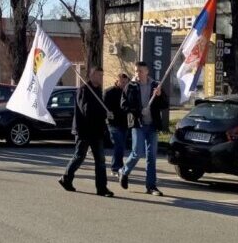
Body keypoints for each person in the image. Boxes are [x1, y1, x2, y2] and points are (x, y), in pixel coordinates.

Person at [59, 67, 114, 197]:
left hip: (97, 131)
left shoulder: (98, 91)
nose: (101, 77)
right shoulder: (83, 90)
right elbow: (86, 111)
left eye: (102, 75)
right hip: (84, 131)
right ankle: (66, 178)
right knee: (79, 157)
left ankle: (102, 188)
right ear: (91, 75)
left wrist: (107, 115)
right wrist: (104, 113)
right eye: (99, 75)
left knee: (100, 160)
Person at [118, 61, 168, 196]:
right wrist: (139, 111)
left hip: (152, 125)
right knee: (137, 152)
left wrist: (159, 95)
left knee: (151, 156)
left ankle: (151, 186)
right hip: (138, 124)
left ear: (147, 72)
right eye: (136, 71)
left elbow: (165, 104)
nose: (138, 74)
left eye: (140, 71)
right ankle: (124, 171)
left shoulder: (155, 86)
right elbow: (123, 105)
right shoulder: (131, 86)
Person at [104, 73, 130, 177]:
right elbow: (103, 106)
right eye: (122, 82)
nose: (124, 84)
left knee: (121, 146)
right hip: (113, 123)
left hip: (125, 123)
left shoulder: (128, 92)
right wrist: (107, 113)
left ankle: (119, 166)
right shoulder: (109, 92)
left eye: (125, 82)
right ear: (117, 81)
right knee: (119, 144)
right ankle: (116, 168)